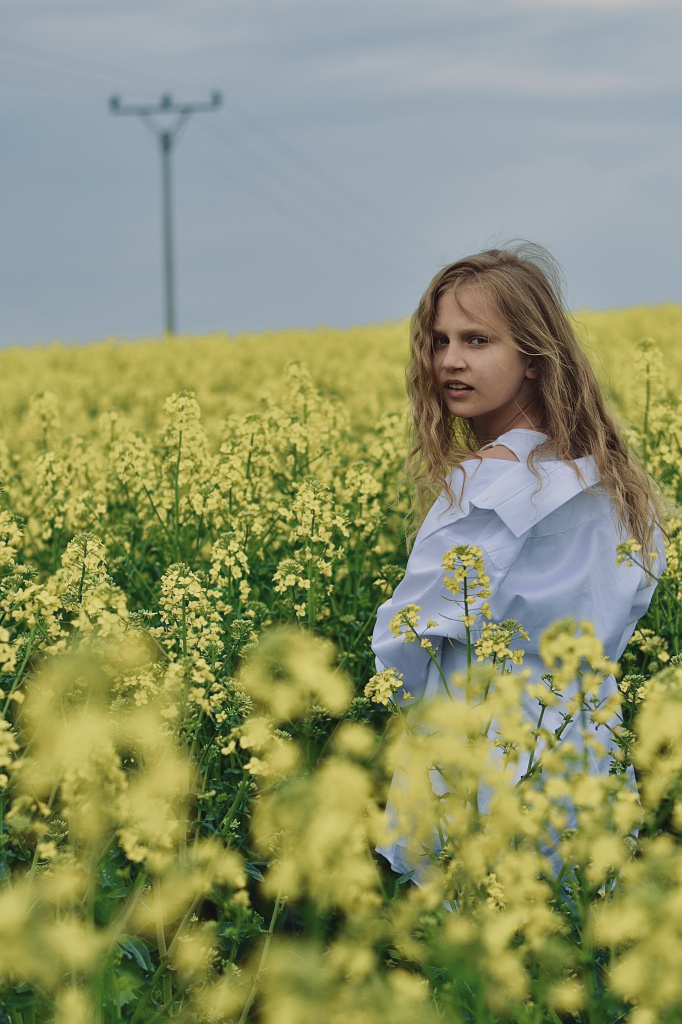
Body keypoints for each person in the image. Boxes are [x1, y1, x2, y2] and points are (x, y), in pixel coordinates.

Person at [371, 242, 666, 879]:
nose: (449, 360)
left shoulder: (484, 482)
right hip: (588, 761)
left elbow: (401, 648)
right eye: (439, 340)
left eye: (477, 340)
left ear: (533, 357)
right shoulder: (610, 480)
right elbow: (625, 613)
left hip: (485, 772)